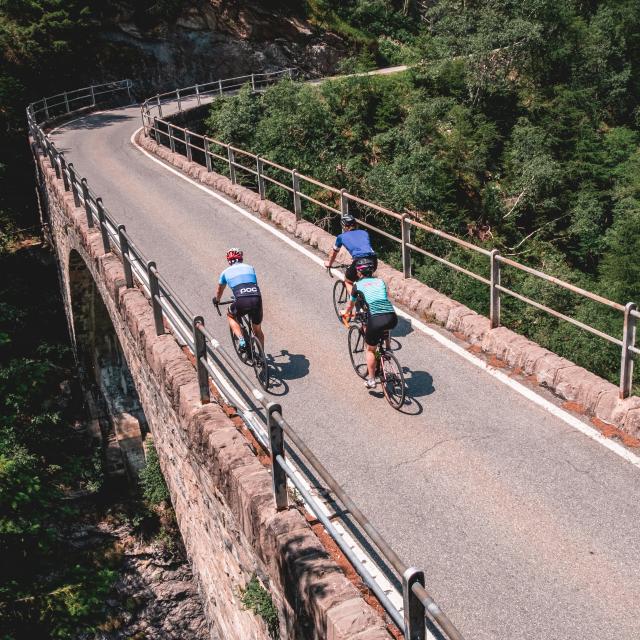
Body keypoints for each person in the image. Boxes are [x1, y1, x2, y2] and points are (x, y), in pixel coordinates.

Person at [343, 258, 397, 389]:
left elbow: (351, 304)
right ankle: (388, 349)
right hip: (392, 316)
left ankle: (372, 379)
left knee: (370, 349)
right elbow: (380, 297)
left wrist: (346, 312)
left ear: (359, 272)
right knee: (385, 325)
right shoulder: (380, 282)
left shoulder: (357, 285)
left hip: (375, 318)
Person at [213, 248, 264, 349]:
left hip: (241, 300)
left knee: (230, 315)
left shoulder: (225, 272)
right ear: (241, 258)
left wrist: (217, 300)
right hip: (256, 297)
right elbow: (254, 284)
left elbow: (220, 290)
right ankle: (262, 358)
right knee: (257, 329)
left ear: (229, 261)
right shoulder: (250, 268)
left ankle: (241, 340)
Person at [324, 215, 377, 297]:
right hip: (373, 259)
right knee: (364, 278)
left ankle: (354, 305)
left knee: (348, 281)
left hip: (359, 260)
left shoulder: (341, 237)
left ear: (344, 226)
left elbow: (334, 253)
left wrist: (329, 264)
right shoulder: (364, 233)